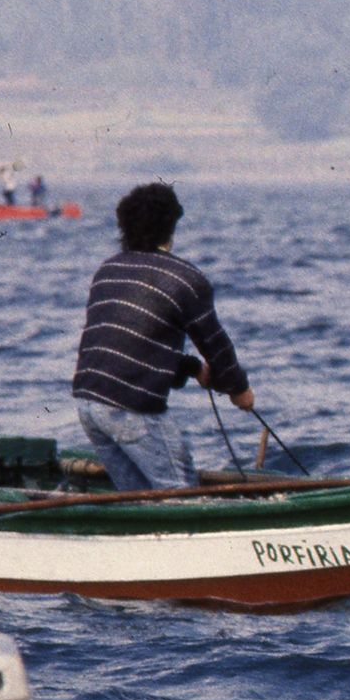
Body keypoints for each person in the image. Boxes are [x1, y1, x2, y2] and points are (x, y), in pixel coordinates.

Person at [72, 181, 254, 490]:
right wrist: (239, 390)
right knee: (181, 495)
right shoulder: (184, 278)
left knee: (136, 500)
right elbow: (216, 345)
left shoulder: (108, 269)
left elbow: (132, 344)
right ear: (171, 228)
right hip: (130, 408)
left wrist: (194, 369)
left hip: (89, 403)